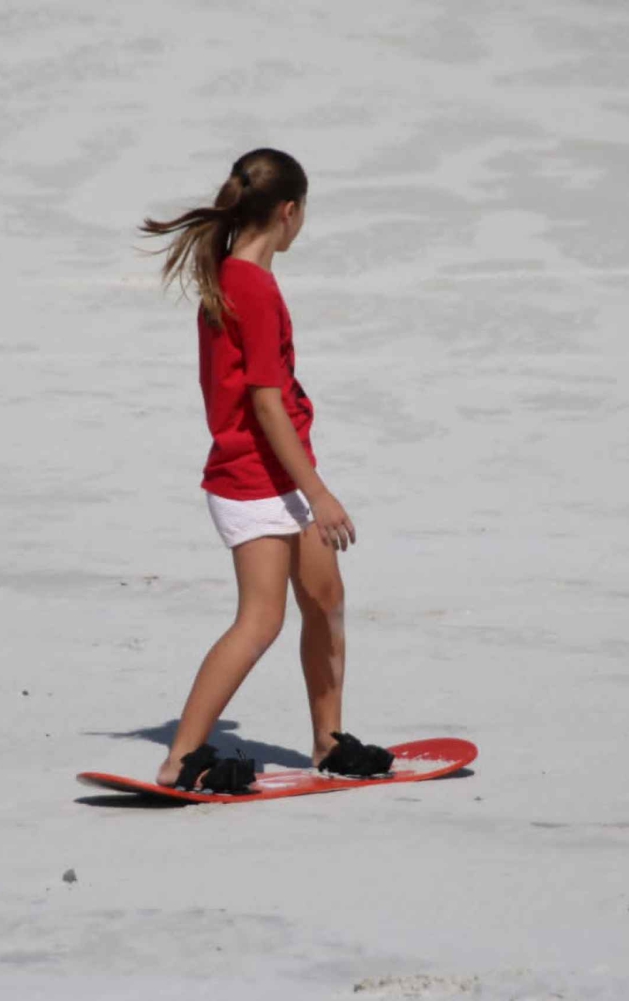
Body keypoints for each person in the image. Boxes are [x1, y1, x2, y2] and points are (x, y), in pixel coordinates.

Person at [137, 148, 394, 793]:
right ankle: (182, 759)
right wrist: (321, 493)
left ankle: (329, 743)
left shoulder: (235, 276)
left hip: (277, 476)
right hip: (255, 480)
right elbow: (264, 401)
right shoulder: (253, 287)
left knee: (325, 600)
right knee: (262, 619)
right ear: (289, 212)